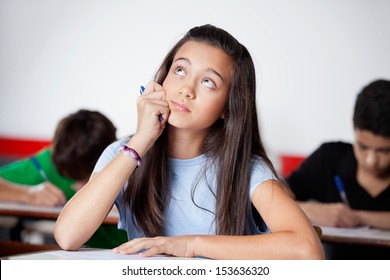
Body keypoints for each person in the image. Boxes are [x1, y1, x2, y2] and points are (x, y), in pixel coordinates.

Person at [54, 24, 324, 259]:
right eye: (180, 70)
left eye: (208, 82)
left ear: (227, 107)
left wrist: (190, 245)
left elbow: (307, 250)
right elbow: (67, 236)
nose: (186, 89)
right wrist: (140, 142)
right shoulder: (124, 152)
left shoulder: (246, 168)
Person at [286, 79, 390, 259]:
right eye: (363, 147)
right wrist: (310, 210)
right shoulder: (329, 157)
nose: (371, 160)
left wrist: (358, 217)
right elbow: (272, 197)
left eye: (384, 150)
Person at [0, 109, 128, 248]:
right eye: (70, 177)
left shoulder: (128, 162)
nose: (76, 187)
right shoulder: (45, 166)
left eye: (85, 178)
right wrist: (26, 193)